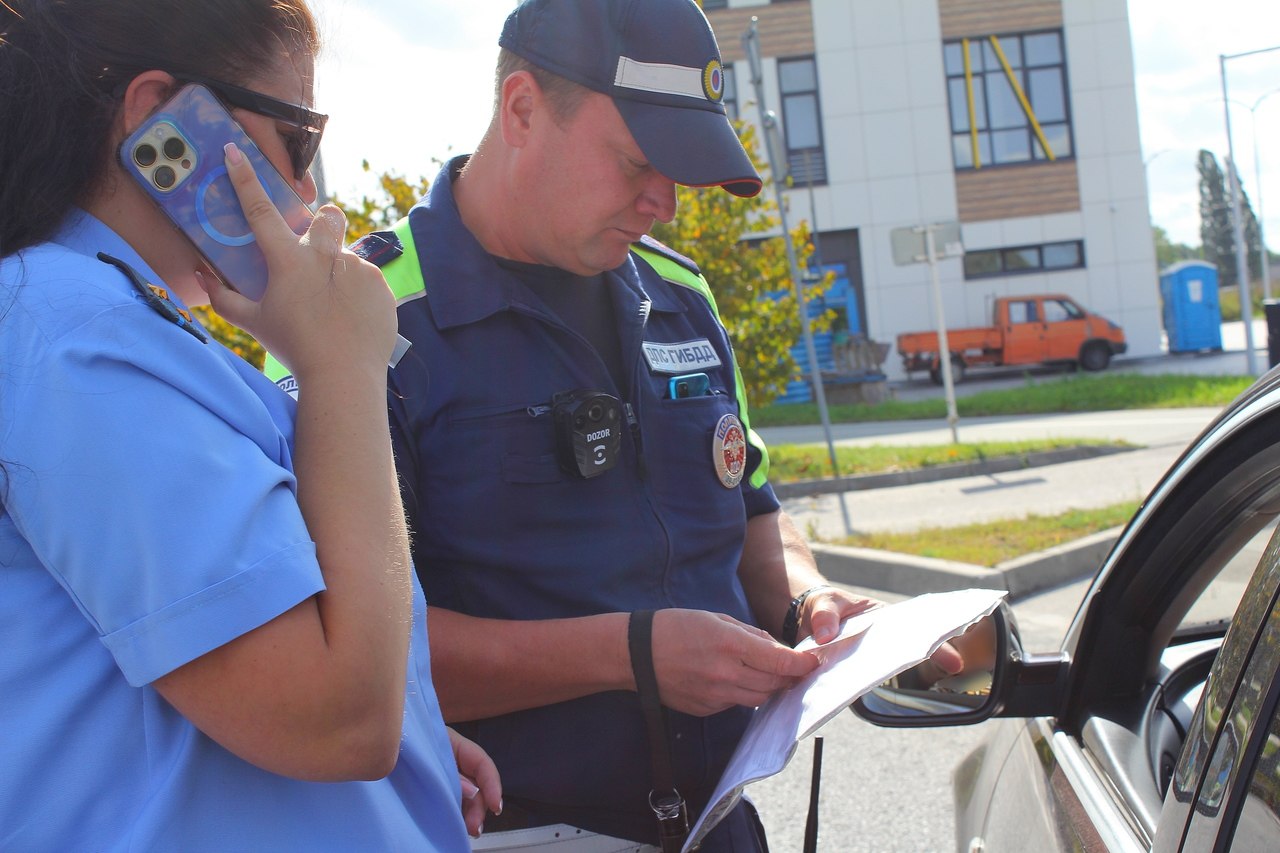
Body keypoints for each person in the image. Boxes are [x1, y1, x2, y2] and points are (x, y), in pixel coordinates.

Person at [267, 0, 898, 849]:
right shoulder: (354, 322)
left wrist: (806, 599)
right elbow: (331, 655)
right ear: (522, 108)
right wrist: (631, 652)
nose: (666, 204)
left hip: (718, 823)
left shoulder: (683, 299)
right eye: (640, 162)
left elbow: (751, 507)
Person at [0, 1, 500, 849]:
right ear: (161, 117)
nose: (306, 191)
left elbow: (162, 665)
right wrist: (341, 367)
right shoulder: (80, 338)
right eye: (298, 138)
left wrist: (409, 729)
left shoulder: (94, 323)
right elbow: (339, 721)